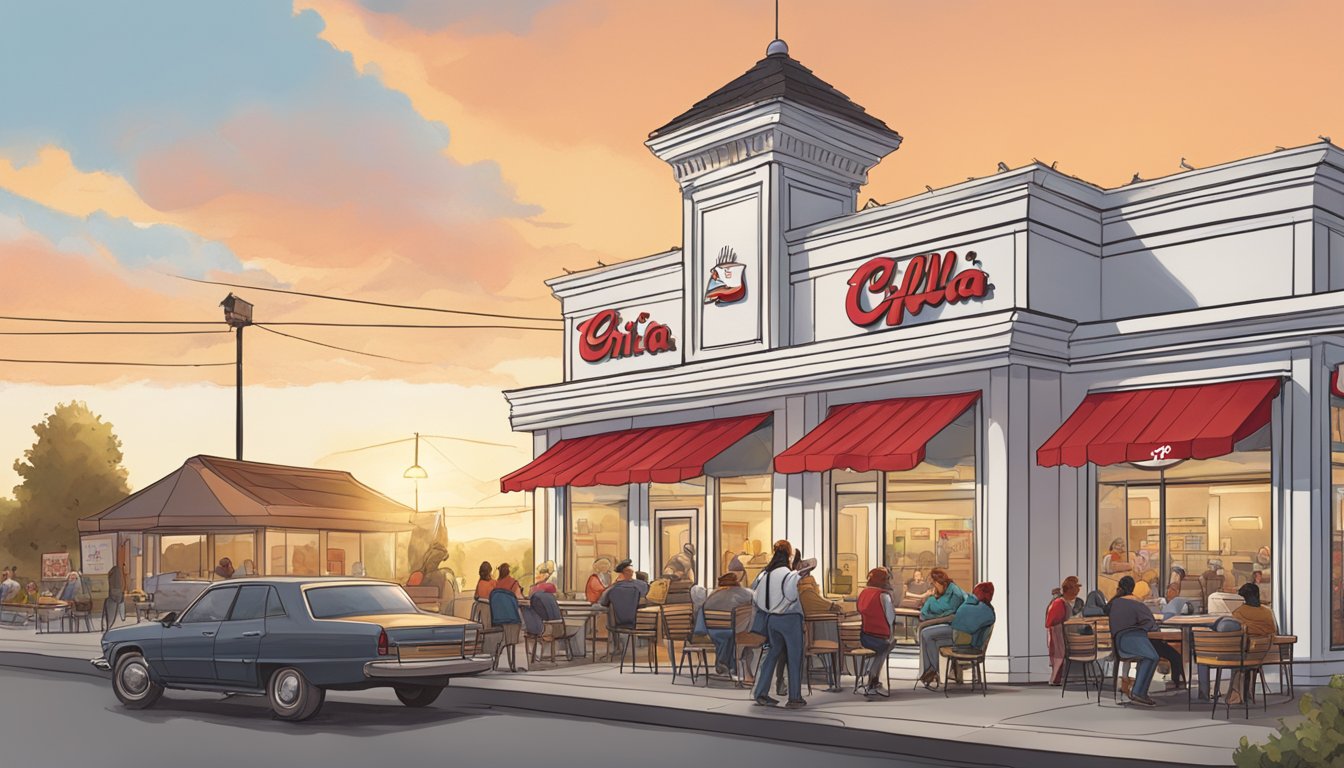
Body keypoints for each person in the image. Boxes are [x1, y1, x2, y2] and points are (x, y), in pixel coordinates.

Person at [751, 540, 806, 709]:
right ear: (789, 555)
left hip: (771, 619)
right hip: (790, 619)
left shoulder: (765, 574)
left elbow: (755, 596)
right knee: (794, 658)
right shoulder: (789, 574)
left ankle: (761, 693)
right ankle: (794, 698)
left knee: (772, 655)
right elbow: (792, 595)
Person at [1107, 576, 1160, 707]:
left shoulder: (1114, 603)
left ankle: (1138, 692)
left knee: (1149, 657)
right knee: (1153, 657)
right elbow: (1151, 623)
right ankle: (1139, 692)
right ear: (1133, 588)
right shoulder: (1137, 604)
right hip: (1132, 640)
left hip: (1118, 644)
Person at [916, 567, 966, 687]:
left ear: (939, 581)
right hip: (947, 625)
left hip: (956, 630)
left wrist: (933, 615)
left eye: (934, 584)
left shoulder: (955, 593)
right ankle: (931, 671)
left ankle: (933, 670)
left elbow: (950, 613)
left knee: (926, 634)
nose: (933, 587)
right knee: (926, 634)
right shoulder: (943, 593)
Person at [701, 572, 755, 676]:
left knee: (728, 635)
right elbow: (755, 599)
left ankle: (724, 664)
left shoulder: (712, 595)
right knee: (737, 633)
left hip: (712, 631)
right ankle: (730, 665)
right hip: (731, 631)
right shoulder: (744, 593)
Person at [599, 559, 650, 659]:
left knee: (611, 612)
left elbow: (603, 602)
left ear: (621, 574)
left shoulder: (612, 589)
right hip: (636, 623)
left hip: (617, 624)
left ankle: (617, 647)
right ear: (631, 573)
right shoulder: (643, 586)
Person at [857, 567, 896, 697]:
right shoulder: (884, 595)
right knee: (888, 645)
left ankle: (871, 678)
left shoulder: (863, 593)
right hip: (879, 637)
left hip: (864, 635)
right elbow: (891, 618)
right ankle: (873, 680)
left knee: (881, 648)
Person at [1046, 576, 1083, 685]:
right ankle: (1055, 679)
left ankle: (1055, 679)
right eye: (1076, 588)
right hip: (1058, 632)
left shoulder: (1062, 602)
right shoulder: (1060, 603)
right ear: (1070, 589)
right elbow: (1055, 620)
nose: (1078, 591)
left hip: (1058, 631)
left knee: (1058, 655)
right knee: (1058, 655)